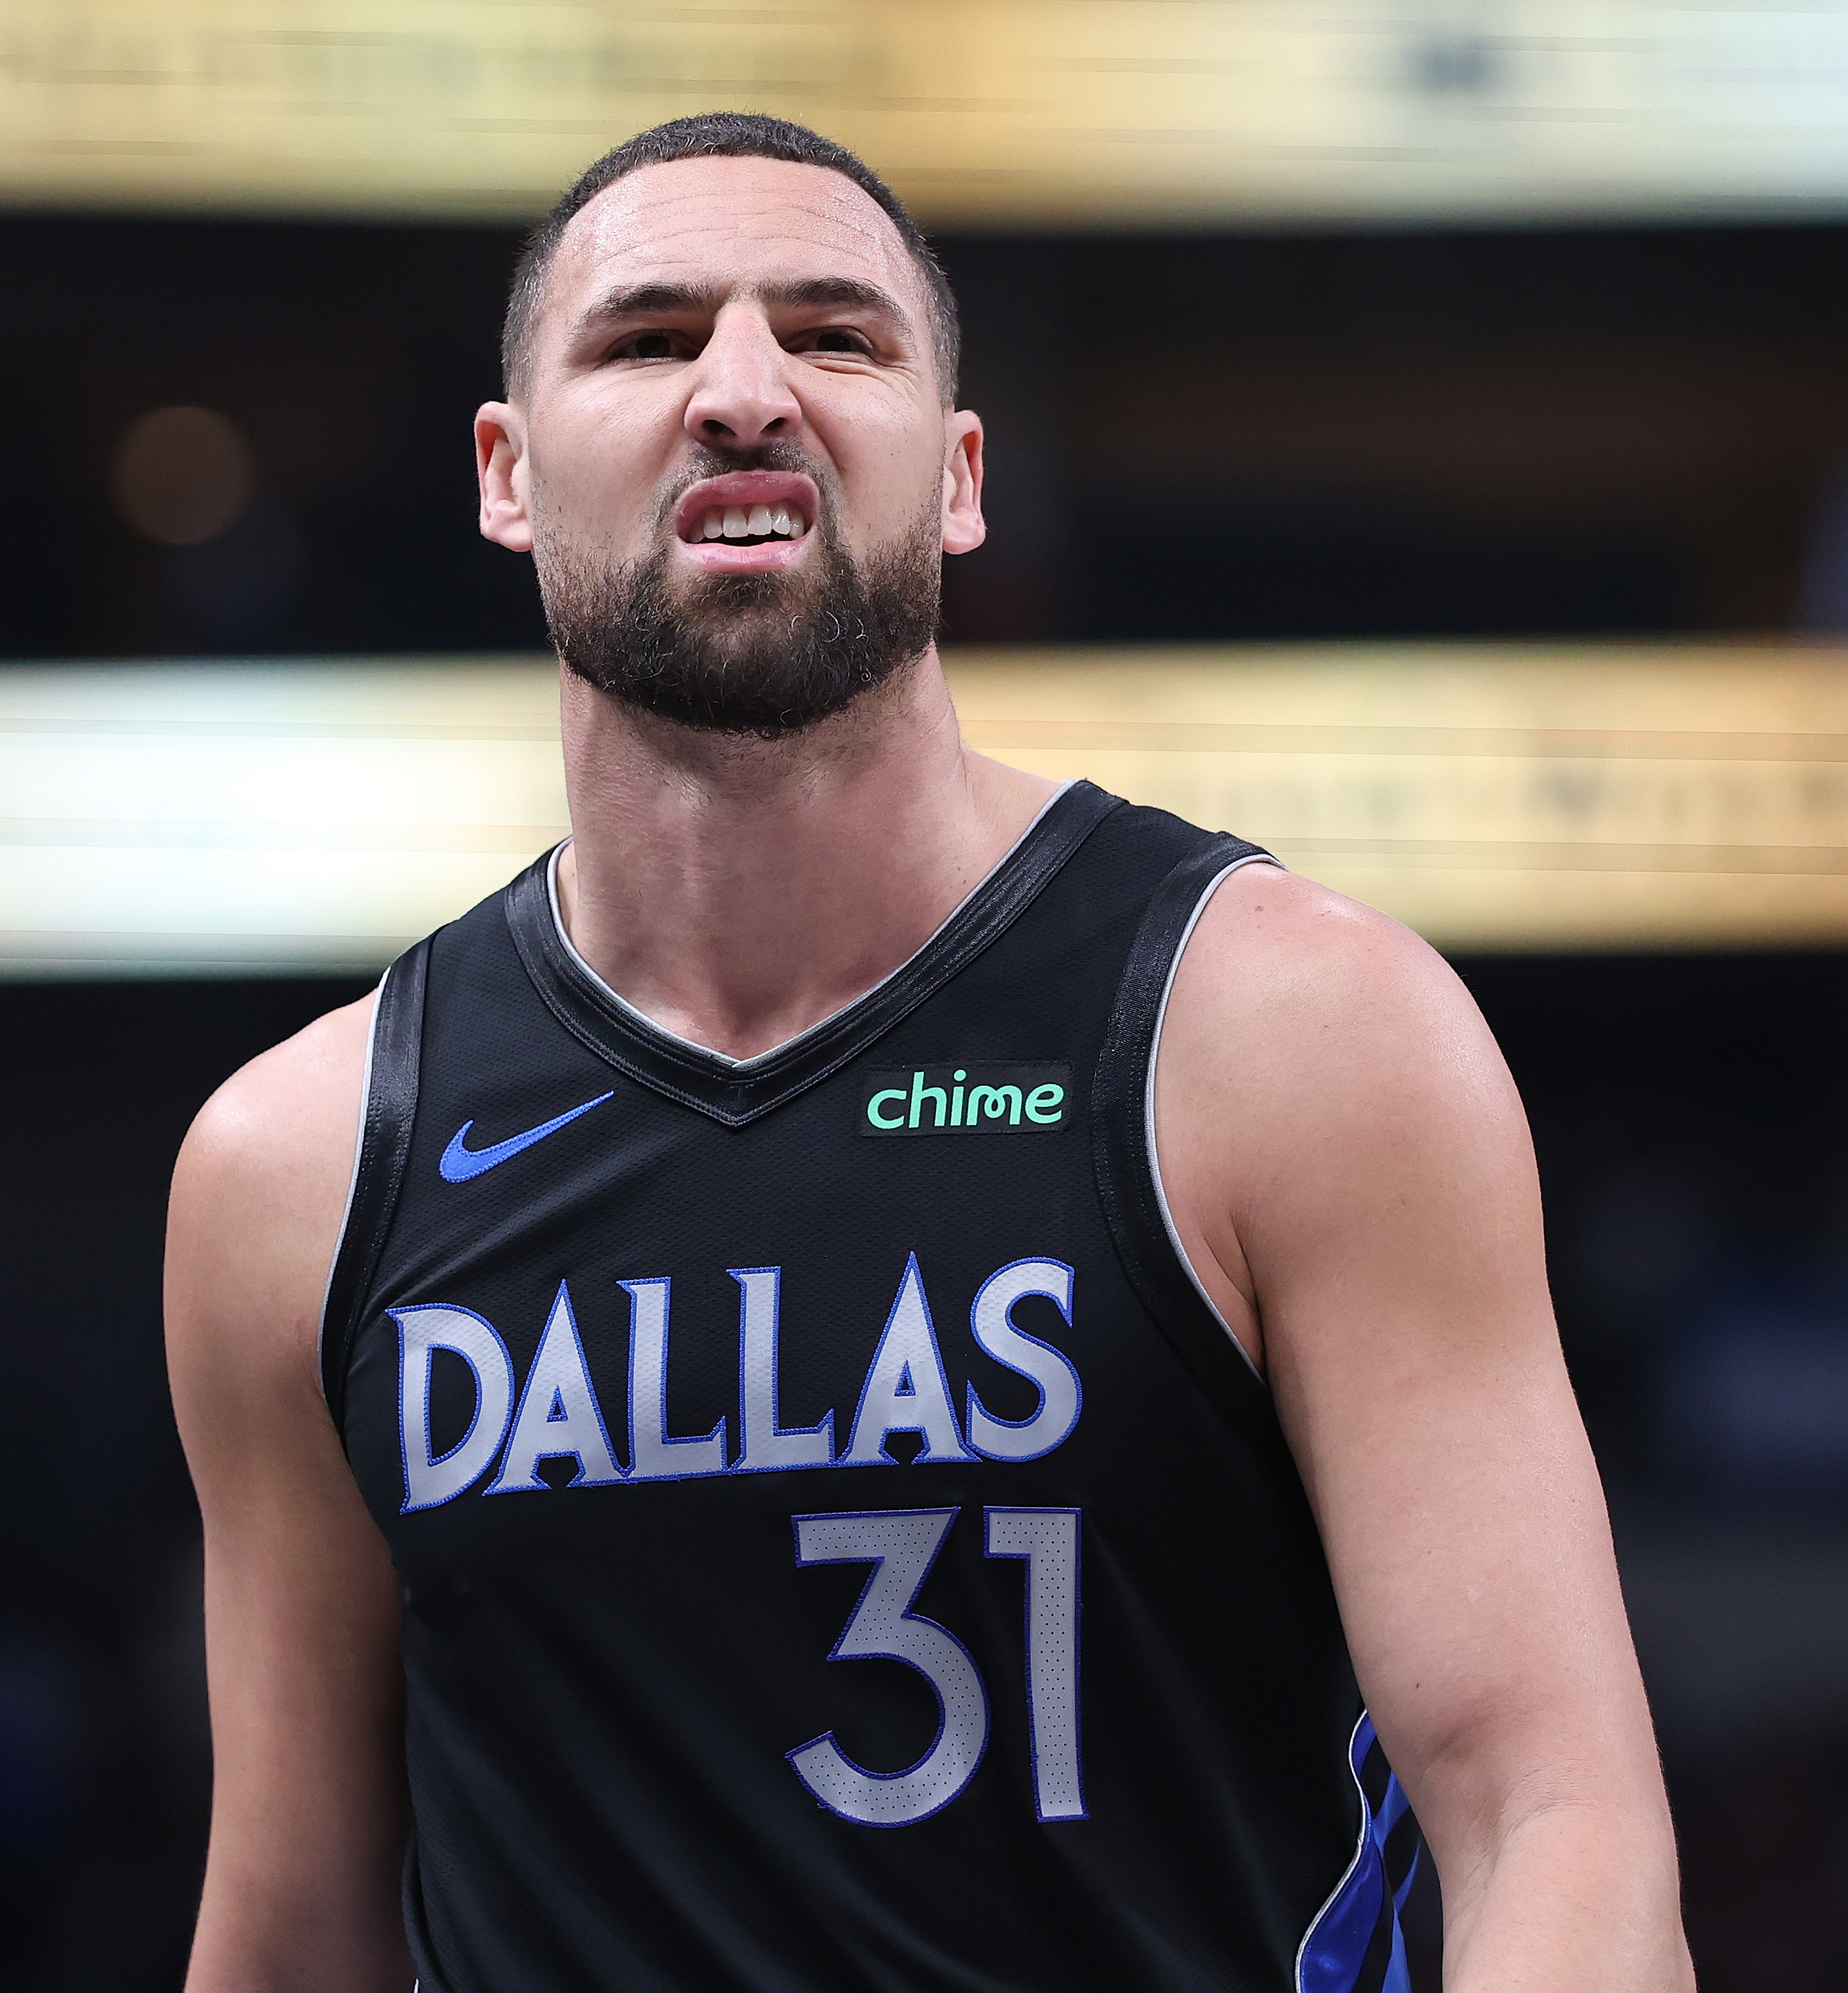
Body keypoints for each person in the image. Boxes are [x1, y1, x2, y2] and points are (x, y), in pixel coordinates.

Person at [165, 111, 1693, 1993]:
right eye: (649, 339)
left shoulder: (1287, 1033)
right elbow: (292, 1931)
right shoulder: (301, 1169)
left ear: (960, 478)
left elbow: (1557, 1817)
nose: (746, 392)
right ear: (509, 474)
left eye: (836, 336)